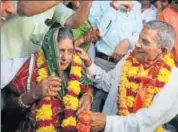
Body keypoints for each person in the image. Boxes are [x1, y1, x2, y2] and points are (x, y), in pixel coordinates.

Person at [78, 20, 177, 131]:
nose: (137, 44)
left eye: (145, 42)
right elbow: (108, 83)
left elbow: (147, 121)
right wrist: (89, 64)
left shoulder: (172, 80)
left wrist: (107, 123)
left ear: (163, 51)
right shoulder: (129, 59)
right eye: (139, 38)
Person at [5, 27, 93, 131]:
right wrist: (34, 93)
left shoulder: (76, 65)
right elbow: (10, 105)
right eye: (60, 51)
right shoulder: (33, 67)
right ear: (50, 48)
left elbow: (88, 86)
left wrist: (88, 96)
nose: (65, 57)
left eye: (70, 51)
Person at [1, 1, 93, 89]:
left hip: (26, 73)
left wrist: (87, 3)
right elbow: (25, 8)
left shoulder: (53, 5)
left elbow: (74, 22)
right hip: (5, 62)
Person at [88, 0, 143, 112]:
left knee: (117, 109)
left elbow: (139, 34)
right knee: (95, 107)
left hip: (125, 65)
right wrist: (114, 6)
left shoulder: (136, 5)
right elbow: (97, 32)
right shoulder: (98, 3)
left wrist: (128, 42)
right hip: (102, 63)